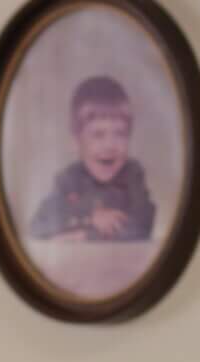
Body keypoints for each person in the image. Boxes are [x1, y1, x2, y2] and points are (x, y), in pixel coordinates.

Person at [27, 75, 157, 243]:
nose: (110, 145)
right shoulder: (68, 179)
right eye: (98, 135)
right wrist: (89, 217)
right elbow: (38, 226)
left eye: (120, 134)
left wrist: (84, 235)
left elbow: (142, 227)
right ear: (77, 140)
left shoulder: (133, 175)